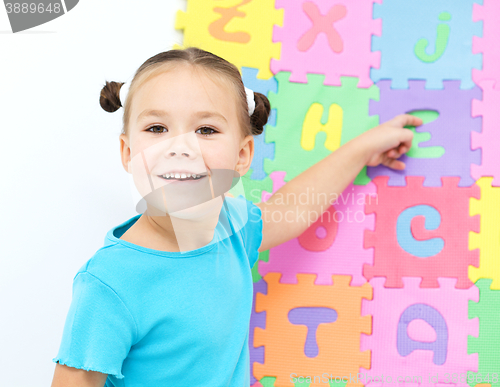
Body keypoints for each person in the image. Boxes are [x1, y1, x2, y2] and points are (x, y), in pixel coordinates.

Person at [50, 47, 422, 387]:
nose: (180, 148)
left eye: (206, 130)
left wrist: (363, 148)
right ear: (128, 152)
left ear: (242, 155)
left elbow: (291, 209)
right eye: (157, 129)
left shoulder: (230, 229)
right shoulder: (109, 284)